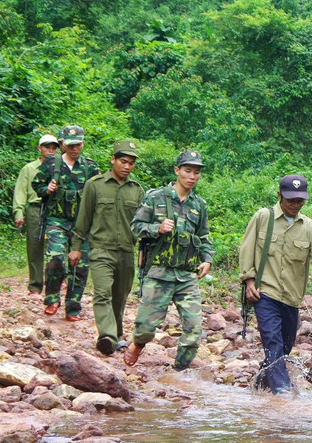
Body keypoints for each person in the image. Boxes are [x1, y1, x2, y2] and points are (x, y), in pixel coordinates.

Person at [239, 174, 312, 394]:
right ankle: (282, 393)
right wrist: (249, 279)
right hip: (265, 293)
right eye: (290, 200)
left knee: (284, 348)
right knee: (272, 341)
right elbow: (247, 248)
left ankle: (259, 387)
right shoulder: (263, 218)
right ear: (279, 196)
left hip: (292, 297)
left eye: (299, 201)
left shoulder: (308, 226)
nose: (295, 205)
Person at [124, 150, 214, 369]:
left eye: (196, 172)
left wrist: (207, 259)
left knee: (194, 331)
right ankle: (138, 343)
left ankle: (179, 372)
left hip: (186, 276)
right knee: (145, 327)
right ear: (177, 171)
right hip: (158, 272)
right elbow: (135, 227)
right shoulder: (155, 197)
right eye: (188, 171)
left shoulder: (198, 205)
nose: (192, 176)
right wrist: (157, 228)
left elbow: (204, 237)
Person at [70, 141, 145, 356]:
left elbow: (140, 226)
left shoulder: (137, 191)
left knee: (119, 296)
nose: (127, 166)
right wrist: (76, 247)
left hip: (126, 251)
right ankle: (108, 336)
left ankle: (117, 334)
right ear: (112, 159)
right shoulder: (95, 185)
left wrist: (143, 253)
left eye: (131, 163)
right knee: (103, 293)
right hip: (101, 249)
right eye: (123, 161)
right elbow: (83, 219)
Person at [31, 125, 99, 320]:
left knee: (80, 265)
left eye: (78, 144)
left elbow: (99, 194)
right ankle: (52, 298)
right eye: (70, 145)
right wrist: (48, 189)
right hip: (56, 220)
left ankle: (73, 307)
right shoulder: (52, 164)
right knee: (56, 259)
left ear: (83, 143)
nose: (74, 148)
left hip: (81, 224)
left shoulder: (90, 167)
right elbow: (37, 185)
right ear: (62, 144)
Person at [13, 134, 59, 295]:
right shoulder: (29, 168)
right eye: (47, 147)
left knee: (58, 246)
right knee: (34, 246)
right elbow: (20, 192)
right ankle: (35, 285)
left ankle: (57, 283)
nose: (51, 151)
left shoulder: (61, 167)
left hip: (56, 209)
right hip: (35, 208)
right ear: (40, 148)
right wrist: (18, 212)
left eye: (54, 148)